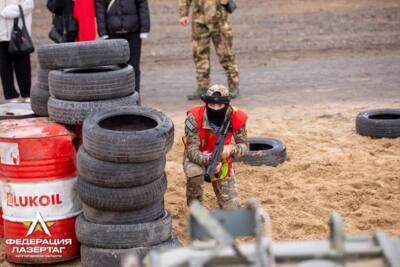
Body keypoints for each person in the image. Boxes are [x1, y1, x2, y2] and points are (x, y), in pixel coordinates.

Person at [183, 84, 248, 209]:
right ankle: (195, 208)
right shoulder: (194, 117)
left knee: (232, 209)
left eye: (220, 105)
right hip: (198, 157)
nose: (216, 108)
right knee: (195, 172)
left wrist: (231, 149)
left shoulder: (236, 117)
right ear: (206, 103)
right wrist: (210, 161)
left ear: (227, 104)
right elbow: (191, 151)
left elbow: (244, 146)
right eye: (211, 105)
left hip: (223, 161)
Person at [179, 0, 240, 100]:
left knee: (226, 54)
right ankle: (202, 86)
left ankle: (234, 85)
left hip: (219, 19)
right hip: (199, 19)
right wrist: (183, 14)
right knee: (199, 53)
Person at [95, 0, 150, 96]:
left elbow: (142, 5)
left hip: (133, 32)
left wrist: (144, 28)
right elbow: (100, 9)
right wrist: (102, 32)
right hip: (113, 33)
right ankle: (118, 96)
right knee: (115, 68)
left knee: (134, 67)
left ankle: (135, 95)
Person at [0, 0, 34, 103]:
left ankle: (26, 93)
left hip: (18, 32)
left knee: (22, 64)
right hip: (0, 33)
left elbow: (29, 5)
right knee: (3, 66)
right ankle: (10, 95)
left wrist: (10, 11)